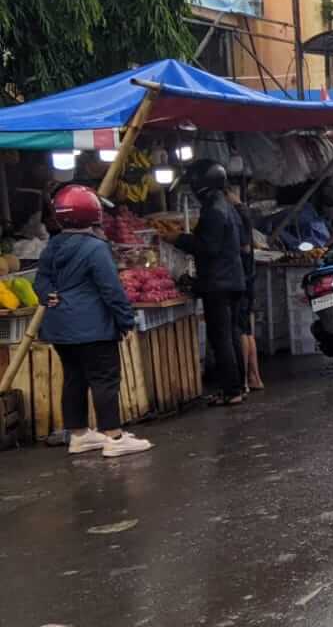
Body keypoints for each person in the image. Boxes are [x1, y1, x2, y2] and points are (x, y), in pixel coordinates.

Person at [33, 185, 152, 457]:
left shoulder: (53, 245)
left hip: (60, 327)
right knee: (104, 380)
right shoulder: (95, 248)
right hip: (93, 327)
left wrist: (48, 296)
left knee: (74, 379)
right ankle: (114, 437)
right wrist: (125, 320)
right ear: (93, 214)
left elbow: (41, 281)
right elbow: (111, 289)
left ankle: (79, 434)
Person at [165, 160, 247, 406]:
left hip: (218, 284)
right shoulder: (226, 205)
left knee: (221, 337)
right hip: (232, 280)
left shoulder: (213, 209)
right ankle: (237, 386)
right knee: (231, 335)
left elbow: (208, 248)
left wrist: (178, 238)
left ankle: (231, 390)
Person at [228, 185, 264, 393]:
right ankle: (254, 377)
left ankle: (244, 380)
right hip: (248, 278)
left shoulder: (236, 218)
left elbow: (243, 248)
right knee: (247, 329)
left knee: (241, 330)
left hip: (241, 279)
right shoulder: (243, 214)